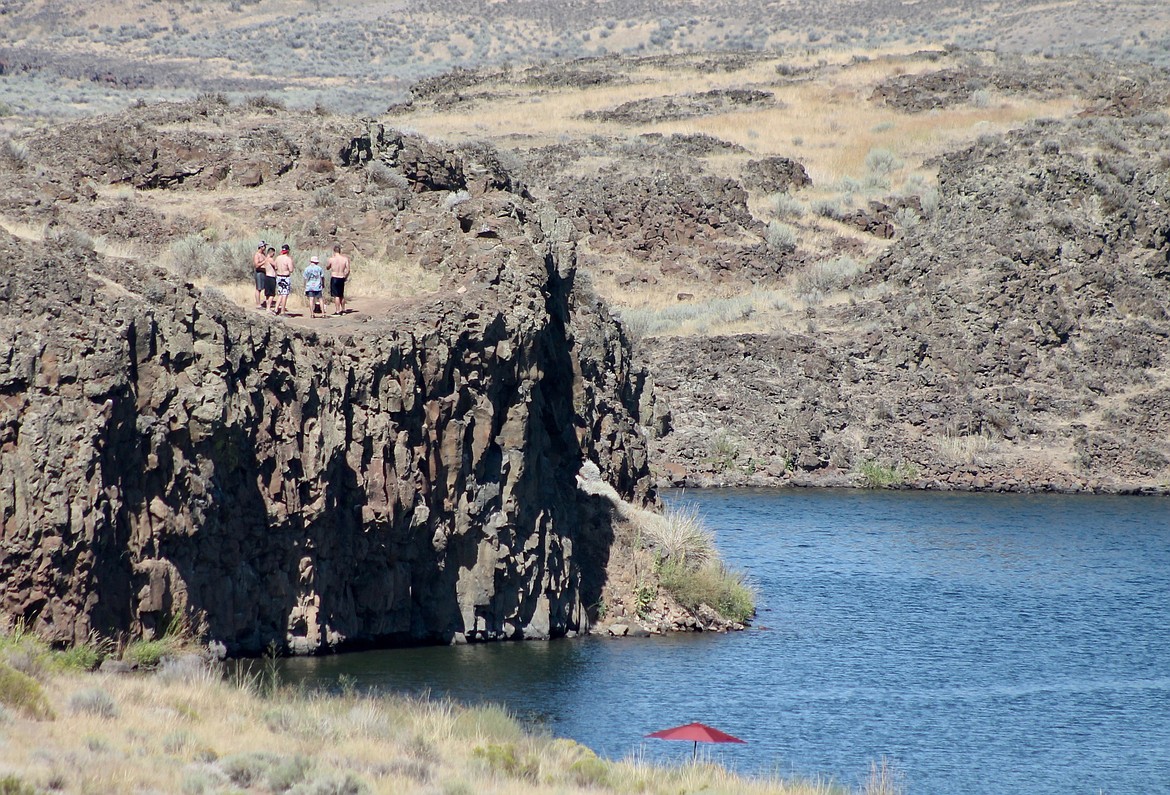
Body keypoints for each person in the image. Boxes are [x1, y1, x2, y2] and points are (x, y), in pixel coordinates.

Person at [326, 244, 351, 315]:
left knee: (336, 295)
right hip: (341, 277)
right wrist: (346, 276)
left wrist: (329, 266)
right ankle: (343, 310)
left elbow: (327, 267)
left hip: (334, 277)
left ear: (334, 251)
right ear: (340, 251)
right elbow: (348, 269)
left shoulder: (332, 259)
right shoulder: (345, 259)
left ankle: (337, 311)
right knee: (341, 295)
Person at [273, 243, 294, 315]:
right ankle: (282, 311)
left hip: (279, 276)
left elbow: (275, 267)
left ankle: (276, 309)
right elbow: (291, 270)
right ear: (288, 251)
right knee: (285, 294)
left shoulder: (277, 258)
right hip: (285, 277)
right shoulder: (288, 259)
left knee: (280, 294)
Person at [252, 241, 267, 308]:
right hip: (259, 273)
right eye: (264, 246)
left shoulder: (263, 254)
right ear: (261, 247)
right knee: (258, 289)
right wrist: (264, 262)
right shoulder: (257, 255)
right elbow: (256, 265)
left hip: (264, 273)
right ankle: (258, 304)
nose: (265, 247)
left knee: (263, 288)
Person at [262, 246, 277, 311]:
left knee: (267, 294)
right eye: (273, 253)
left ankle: (267, 307)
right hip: (271, 277)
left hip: (267, 276)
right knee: (272, 294)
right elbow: (276, 266)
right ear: (271, 253)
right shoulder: (270, 259)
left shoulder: (265, 259)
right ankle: (268, 308)